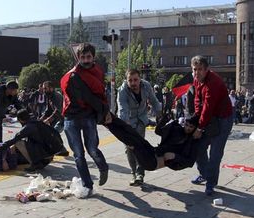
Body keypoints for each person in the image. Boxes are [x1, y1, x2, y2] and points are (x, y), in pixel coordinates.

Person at [61, 43, 111, 195]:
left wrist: (104, 111)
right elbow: (83, 97)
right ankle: (87, 185)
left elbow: (100, 94)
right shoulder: (74, 75)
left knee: (92, 149)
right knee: (78, 154)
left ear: (93, 57)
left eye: (88, 57)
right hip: (71, 118)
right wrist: (103, 110)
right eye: (82, 57)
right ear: (78, 58)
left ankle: (103, 166)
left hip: (88, 116)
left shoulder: (98, 73)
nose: (85, 60)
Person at [189, 55, 233, 196]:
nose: (197, 73)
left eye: (200, 69)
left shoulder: (213, 82)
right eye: (195, 69)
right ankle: (205, 174)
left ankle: (210, 183)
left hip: (223, 119)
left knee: (215, 153)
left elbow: (208, 107)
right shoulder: (197, 80)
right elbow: (197, 99)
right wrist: (196, 118)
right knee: (199, 147)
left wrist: (200, 128)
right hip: (210, 118)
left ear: (207, 69)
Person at [105, 114, 201, 171]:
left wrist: (175, 156)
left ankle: (108, 125)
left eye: (191, 127)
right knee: (133, 133)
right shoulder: (177, 129)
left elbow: (190, 162)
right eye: (187, 125)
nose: (187, 128)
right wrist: (165, 120)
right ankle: (110, 117)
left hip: (152, 163)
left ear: (195, 129)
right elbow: (158, 131)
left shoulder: (192, 142)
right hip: (152, 151)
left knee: (132, 142)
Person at [117, 69, 162, 186]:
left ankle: (140, 173)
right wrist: (126, 129)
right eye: (130, 80)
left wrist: (160, 116)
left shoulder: (146, 86)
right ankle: (134, 173)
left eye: (135, 80)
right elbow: (123, 110)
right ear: (126, 81)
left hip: (141, 120)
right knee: (129, 148)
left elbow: (154, 101)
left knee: (139, 146)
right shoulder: (122, 91)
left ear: (140, 79)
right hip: (128, 121)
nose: (133, 83)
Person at [0, 109, 66, 172]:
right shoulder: (36, 122)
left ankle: (35, 164)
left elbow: (14, 140)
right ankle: (40, 161)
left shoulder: (27, 128)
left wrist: (0, 148)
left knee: (19, 142)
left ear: (20, 120)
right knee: (29, 140)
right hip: (52, 152)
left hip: (47, 155)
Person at [40, 81, 69, 156]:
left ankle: (59, 150)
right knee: (52, 134)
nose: (44, 90)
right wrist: (41, 118)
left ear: (51, 88)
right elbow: (48, 109)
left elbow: (57, 111)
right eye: (43, 88)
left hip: (63, 119)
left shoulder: (57, 96)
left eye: (45, 88)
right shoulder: (49, 96)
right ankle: (62, 150)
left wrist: (47, 120)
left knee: (53, 133)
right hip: (57, 119)